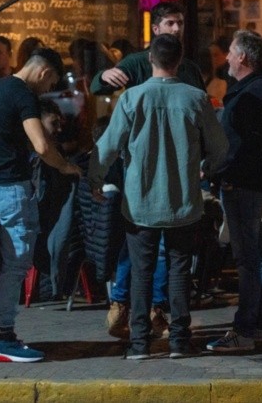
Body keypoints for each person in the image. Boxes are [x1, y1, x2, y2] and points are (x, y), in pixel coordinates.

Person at [88, 34, 228, 359]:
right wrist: (206, 167)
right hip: (184, 203)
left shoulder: (131, 98)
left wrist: (95, 178)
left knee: (141, 271)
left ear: (151, 58)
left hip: (139, 204)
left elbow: (107, 146)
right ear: (179, 61)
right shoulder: (196, 98)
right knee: (180, 269)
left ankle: (140, 344)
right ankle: (179, 340)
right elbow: (221, 148)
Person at [0, 47, 81, 362]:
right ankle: (2, 338)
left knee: (0, 264)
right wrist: (65, 166)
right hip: (10, 191)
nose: (48, 90)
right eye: (50, 83)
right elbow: (41, 144)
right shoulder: (23, 94)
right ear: (45, 72)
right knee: (15, 264)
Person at [206, 30, 262, 353]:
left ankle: (245, 329)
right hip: (250, 183)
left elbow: (240, 147)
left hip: (242, 184)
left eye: (232, 53)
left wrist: (215, 170)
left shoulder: (253, 94)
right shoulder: (259, 90)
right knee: (254, 255)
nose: (226, 58)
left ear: (244, 58)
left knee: (247, 259)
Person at [90, 2, 204, 95]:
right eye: (170, 23)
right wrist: (103, 77)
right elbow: (97, 89)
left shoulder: (191, 68)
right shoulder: (136, 62)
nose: (177, 29)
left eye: (180, 23)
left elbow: (202, 100)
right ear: (156, 29)